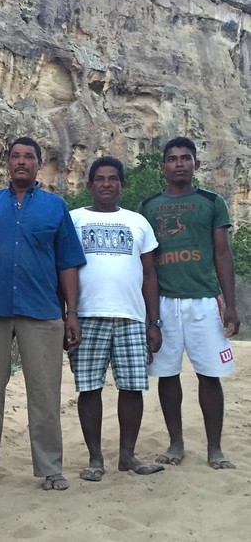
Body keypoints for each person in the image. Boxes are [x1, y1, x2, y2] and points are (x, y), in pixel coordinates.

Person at [0, 137, 85, 491]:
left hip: (42, 311)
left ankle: (50, 468)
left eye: (29, 157)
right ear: (8, 163)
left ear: (39, 164)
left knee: (44, 391)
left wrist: (71, 312)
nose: (22, 162)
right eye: (15, 156)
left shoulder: (55, 207)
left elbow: (68, 263)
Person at [138, 137, 239, 469]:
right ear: (163, 166)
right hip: (164, 303)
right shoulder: (149, 206)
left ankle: (215, 448)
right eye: (172, 158)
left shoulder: (212, 202)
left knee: (209, 375)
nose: (179, 163)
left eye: (185, 158)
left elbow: (222, 253)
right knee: (168, 375)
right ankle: (175, 443)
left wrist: (230, 304)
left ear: (195, 163)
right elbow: (144, 263)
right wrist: (148, 314)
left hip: (203, 302)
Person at [69, 156, 164, 482]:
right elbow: (63, 270)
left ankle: (128, 456)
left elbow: (150, 274)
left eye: (113, 179)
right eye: (100, 179)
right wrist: (67, 315)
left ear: (122, 185)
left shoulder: (138, 222)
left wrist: (154, 321)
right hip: (87, 315)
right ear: (89, 185)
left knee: (133, 387)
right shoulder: (73, 219)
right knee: (89, 388)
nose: (107, 184)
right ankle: (95, 460)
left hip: (131, 317)